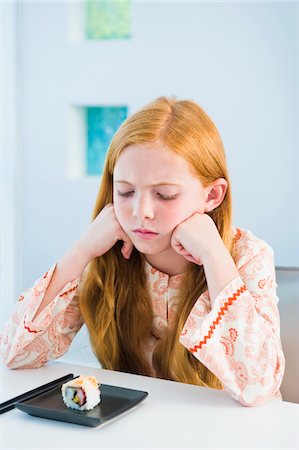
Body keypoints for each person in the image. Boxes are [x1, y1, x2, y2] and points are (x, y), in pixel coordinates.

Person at [0, 96, 285, 407]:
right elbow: (16, 354)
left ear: (212, 195)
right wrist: (80, 250)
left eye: (165, 195)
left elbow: (259, 386)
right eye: (125, 191)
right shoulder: (105, 251)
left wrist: (215, 256)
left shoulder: (248, 255)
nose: (141, 212)